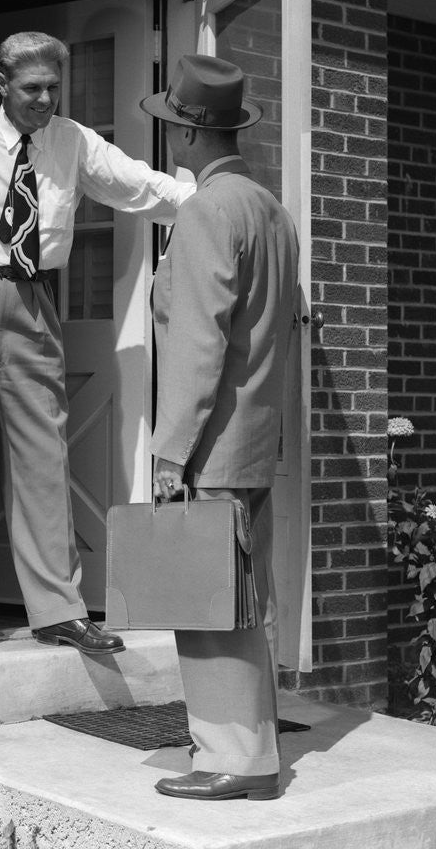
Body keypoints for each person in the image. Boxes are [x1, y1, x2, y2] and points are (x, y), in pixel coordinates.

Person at [0, 31, 195, 656]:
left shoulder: (72, 140)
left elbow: (141, 186)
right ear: (2, 84)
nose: (44, 99)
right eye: (32, 87)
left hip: (33, 295)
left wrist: (215, 201)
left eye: (53, 88)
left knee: (42, 451)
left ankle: (57, 611)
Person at [141, 54, 299, 800]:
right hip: (253, 439)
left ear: (191, 133)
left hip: (212, 445)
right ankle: (249, 749)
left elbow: (201, 340)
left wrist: (172, 452)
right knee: (242, 601)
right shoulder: (269, 208)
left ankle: (235, 760)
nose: (170, 136)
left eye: (174, 124)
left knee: (211, 609)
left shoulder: (208, 210)